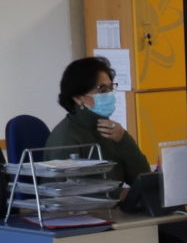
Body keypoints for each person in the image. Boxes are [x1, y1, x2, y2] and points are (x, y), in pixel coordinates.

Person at [47, 55, 149, 185]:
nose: (110, 94)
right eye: (102, 89)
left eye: (111, 88)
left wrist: (124, 139)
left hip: (115, 198)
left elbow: (144, 179)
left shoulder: (110, 130)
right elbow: (66, 192)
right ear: (78, 98)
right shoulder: (66, 139)